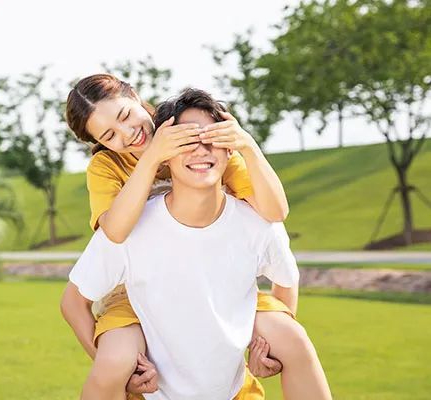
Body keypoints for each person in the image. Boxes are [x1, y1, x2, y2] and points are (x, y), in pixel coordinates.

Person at [62, 82, 331, 399]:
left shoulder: (202, 142)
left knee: (290, 336)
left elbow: (274, 213)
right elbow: (115, 232)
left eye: (125, 115)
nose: (126, 134)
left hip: (220, 277)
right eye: (109, 136)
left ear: (135, 97)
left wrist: (246, 144)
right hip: (135, 289)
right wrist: (151, 160)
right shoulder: (108, 166)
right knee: (116, 358)